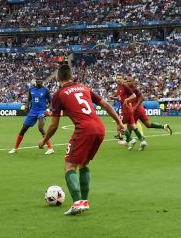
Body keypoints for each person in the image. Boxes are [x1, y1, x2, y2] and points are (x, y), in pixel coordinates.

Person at [39, 61, 126, 216]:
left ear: (58, 78)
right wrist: (119, 122)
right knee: (84, 164)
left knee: (70, 166)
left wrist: (44, 140)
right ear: (72, 76)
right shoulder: (84, 88)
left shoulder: (58, 95)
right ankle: (84, 202)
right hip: (100, 128)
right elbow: (105, 104)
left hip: (84, 129)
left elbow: (54, 125)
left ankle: (77, 202)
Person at [125, 77, 172, 149]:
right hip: (140, 109)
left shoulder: (134, 89)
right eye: (127, 81)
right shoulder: (129, 89)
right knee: (148, 124)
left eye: (129, 81)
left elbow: (142, 98)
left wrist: (135, 107)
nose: (127, 82)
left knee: (130, 125)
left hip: (136, 110)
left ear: (133, 82)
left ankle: (129, 141)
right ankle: (163, 126)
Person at [10, 75, 53, 154]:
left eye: (40, 79)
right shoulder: (31, 89)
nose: (39, 80)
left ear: (42, 81)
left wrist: (48, 109)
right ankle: (15, 148)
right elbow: (29, 100)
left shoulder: (45, 90)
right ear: (35, 80)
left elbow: (51, 102)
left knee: (40, 127)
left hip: (42, 111)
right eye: (38, 79)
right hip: (32, 111)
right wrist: (26, 106)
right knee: (23, 129)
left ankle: (50, 148)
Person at [115, 76, 142, 148]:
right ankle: (142, 141)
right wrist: (114, 98)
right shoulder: (119, 87)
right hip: (127, 109)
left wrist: (126, 100)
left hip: (126, 109)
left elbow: (134, 95)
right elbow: (120, 97)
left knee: (120, 125)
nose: (119, 79)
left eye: (120, 78)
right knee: (132, 126)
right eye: (117, 78)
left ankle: (131, 139)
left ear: (123, 79)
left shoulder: (125, 86)